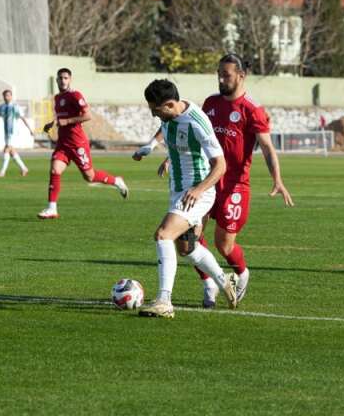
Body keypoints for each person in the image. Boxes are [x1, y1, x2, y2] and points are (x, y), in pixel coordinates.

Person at [135, 53, 294, 308]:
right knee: (186, 244)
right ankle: (215, 281)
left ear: (241, 76)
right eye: (218, 73)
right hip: (196, 184)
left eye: (226, 74)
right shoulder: (209, 103)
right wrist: (162, 152)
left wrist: (277, 179)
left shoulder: (250, 109)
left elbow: (265, 147)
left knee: (217, 242)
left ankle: (230, 277)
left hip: (229, 183)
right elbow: (176, 128)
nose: (220, 78)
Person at [134, 79, 237, 319]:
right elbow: (167, 127)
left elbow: (220, 166)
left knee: (163, 234)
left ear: (170, 104)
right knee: (187, 250)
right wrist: (151, 146)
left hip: (197, 193)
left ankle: (164, 300)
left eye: (156, 110)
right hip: (178, 191)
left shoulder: (198, 122)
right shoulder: (169, 115)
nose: (154, 115)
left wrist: (199, 189)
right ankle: (224, 280)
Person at [37, 68, 127, 219]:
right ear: (57, 80)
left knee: (89, 177)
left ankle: (116, 181)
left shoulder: (75, 95)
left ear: (70, 79)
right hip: (63, 144)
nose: (63, 80)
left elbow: (87, 115)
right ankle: (52, 208)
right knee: (55, 170)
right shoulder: (58, 98)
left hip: (78, 144)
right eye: (60, 78)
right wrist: (52, 123)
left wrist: (67, 121)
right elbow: (62, 116)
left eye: (66, 78)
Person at [0, 89, 33, 178]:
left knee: (6, 149)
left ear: (11, 96)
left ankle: (2, 172)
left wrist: (30, 129)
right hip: (6, 132)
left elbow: (23, 118)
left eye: (8, 95)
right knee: (12, 152)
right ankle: (24, 168)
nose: (6, 97)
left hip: (13, 132)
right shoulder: (1, 107)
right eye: (5, 95)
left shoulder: (15, 107)